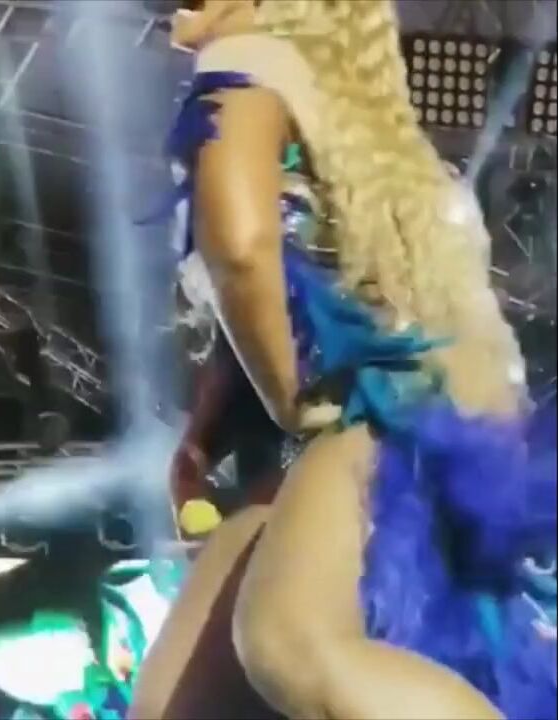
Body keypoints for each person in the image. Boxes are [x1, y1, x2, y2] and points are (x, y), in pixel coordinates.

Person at [130, 2, 557, 719]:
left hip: (385, 403)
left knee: (289, 645)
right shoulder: (338, 107)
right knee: (177, 706)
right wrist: (207, 428)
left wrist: (286, 400)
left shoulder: (248, 59)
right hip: (387, 413)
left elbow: (241, 249)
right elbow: (272, 293)